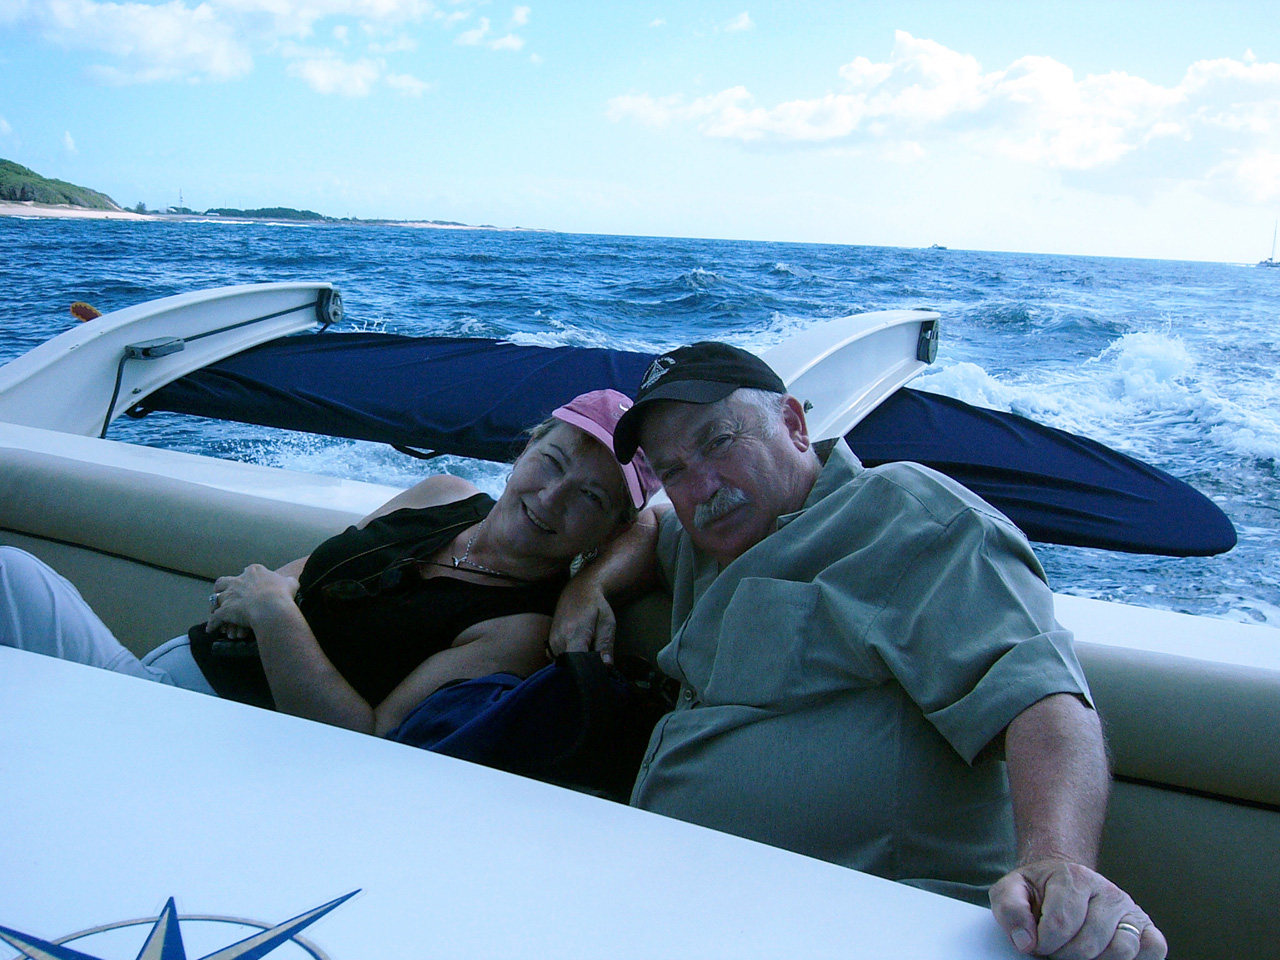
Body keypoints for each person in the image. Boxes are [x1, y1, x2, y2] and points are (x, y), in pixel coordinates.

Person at [549, 343, 1167, 960]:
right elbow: (652, 524)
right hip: (686, 900)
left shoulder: (906, 518)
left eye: (718, 442)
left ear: (794, 425)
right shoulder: (705, 539)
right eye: (674, 469)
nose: (702, 485)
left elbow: (1041, 695)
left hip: (870, 917)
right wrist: (591, 584)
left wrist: (1056, 862)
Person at [0, 389, 660, 738]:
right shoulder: (444, 495)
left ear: (606, 532)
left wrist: (274, 615)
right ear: (525, 451)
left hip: (207, 736)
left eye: (590, 497)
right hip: (156, 686)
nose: (550, 497)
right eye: (551, 463)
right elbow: (311, 565)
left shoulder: (514, 628)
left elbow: (369, 739)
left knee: (12, 578)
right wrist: (258, 591)